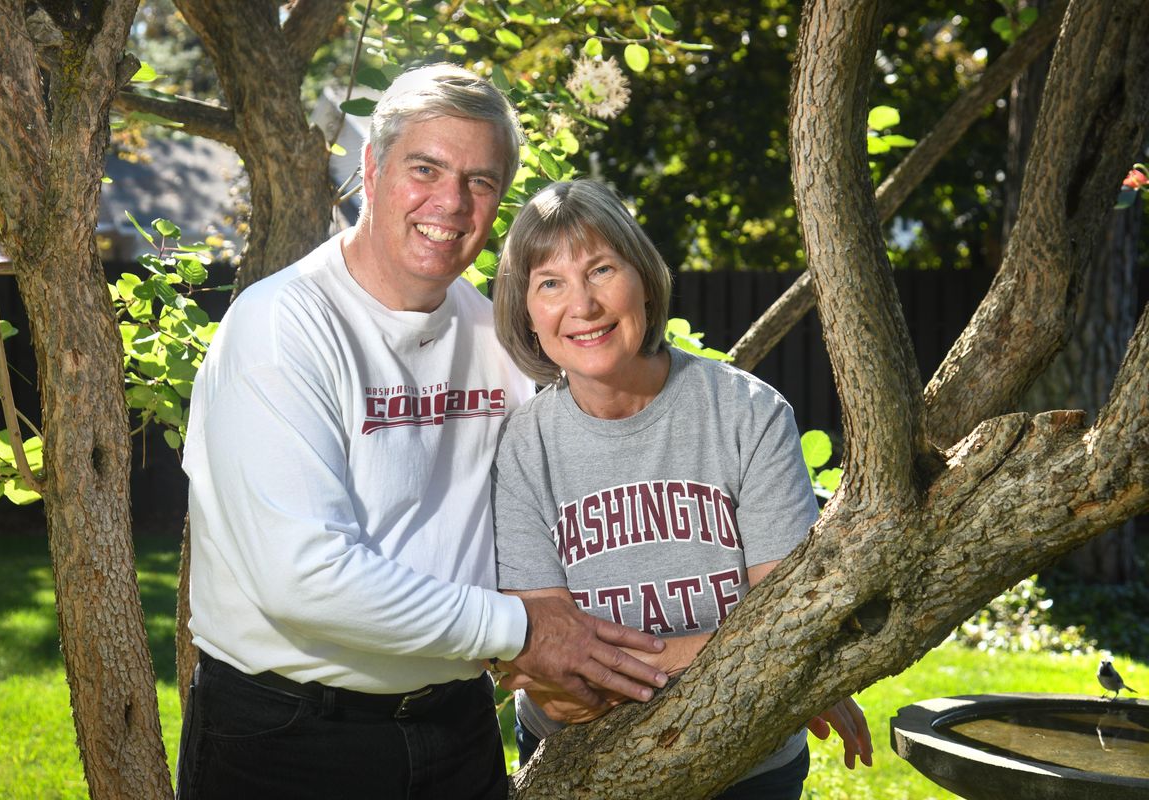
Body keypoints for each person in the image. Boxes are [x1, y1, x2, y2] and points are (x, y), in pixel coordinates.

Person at [176, 67, 667, 800]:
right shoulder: (284, 325)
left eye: (480, 181)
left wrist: (749, 648)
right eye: (425, 169)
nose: (451, 202)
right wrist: (521, 632)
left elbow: (584, 495)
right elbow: (303, 579)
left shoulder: (498, 335)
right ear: (371, 169)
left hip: (457, 729)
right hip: (288, 738)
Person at [490, 179, 873, 798]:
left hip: (747, 759)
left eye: (602, 269)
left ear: (643, 278)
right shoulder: (521, 447)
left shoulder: (749, 415)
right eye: (550, 283)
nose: (581, 305)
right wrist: (753, 665)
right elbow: (557, 692)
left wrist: (785, 663)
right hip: (580, 764)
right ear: (527, 316)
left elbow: (790, 627)